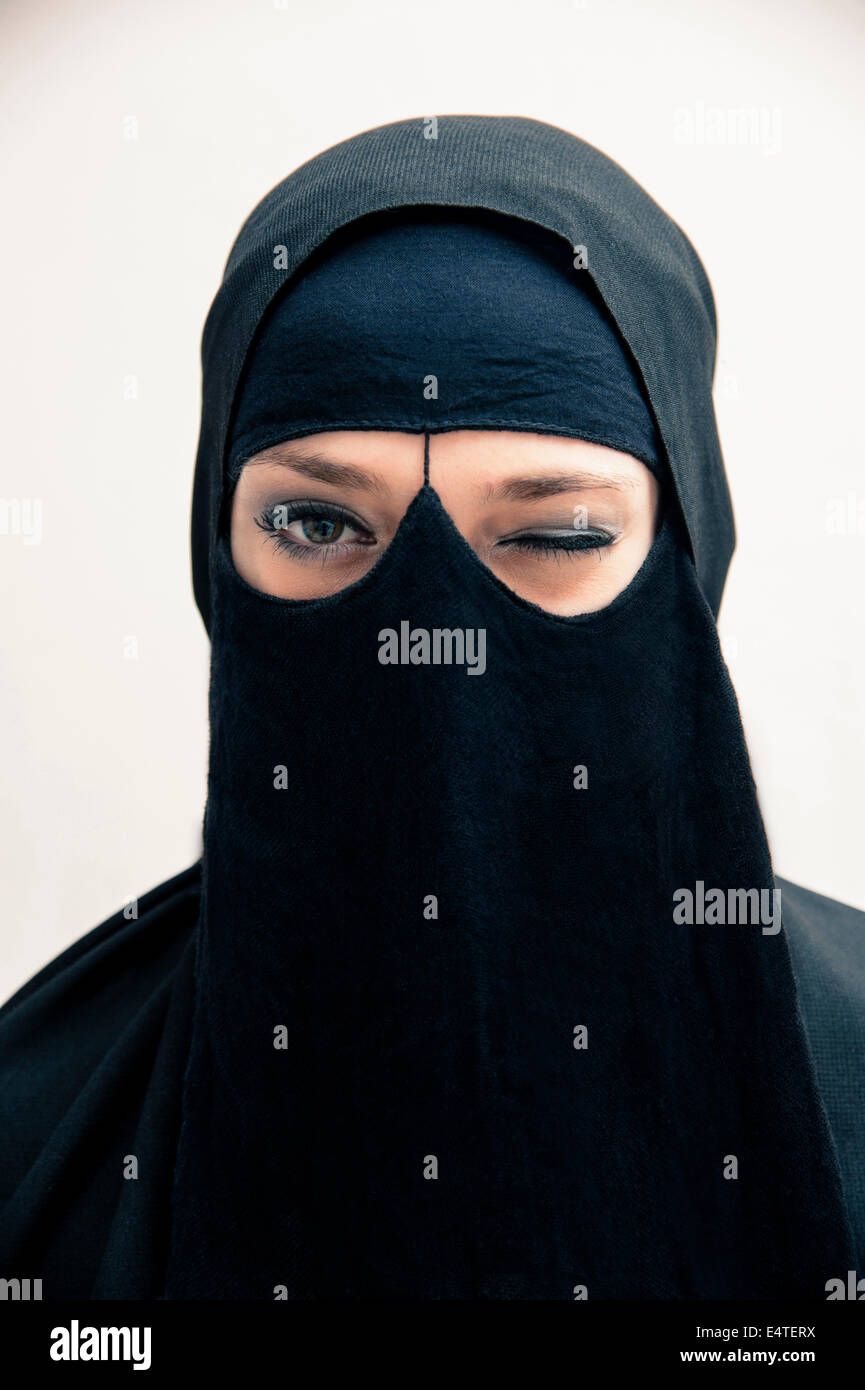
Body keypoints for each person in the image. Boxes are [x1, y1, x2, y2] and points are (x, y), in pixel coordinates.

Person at [1, 115, 862, 1301]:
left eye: (554, 533)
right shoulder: (34, 1129)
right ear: (215, 549)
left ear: (686, 559)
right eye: (316, 522)